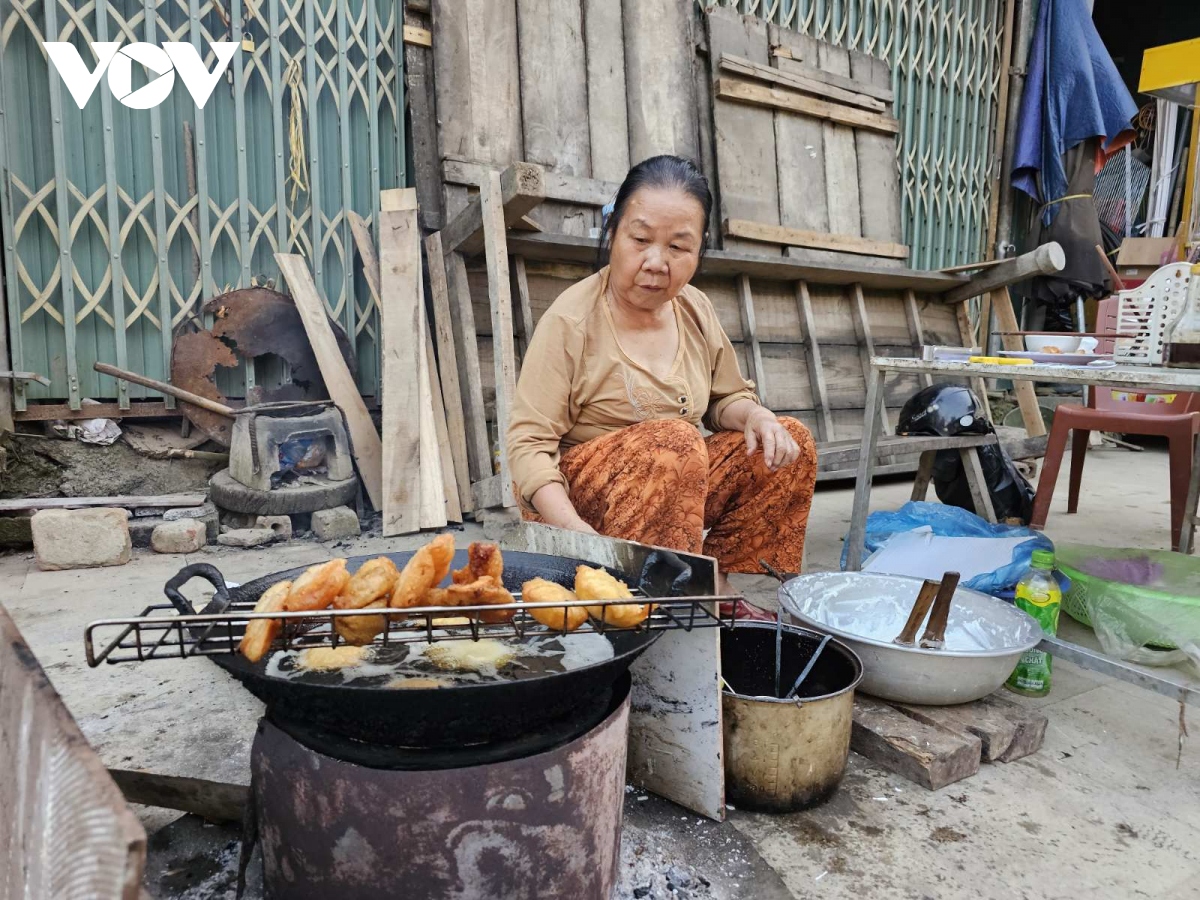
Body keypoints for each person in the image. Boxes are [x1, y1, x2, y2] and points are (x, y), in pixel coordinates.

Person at [506, 155, 817, 584]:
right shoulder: (571, 321)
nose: (656, 261)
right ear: (613, 232)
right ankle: (650, 594)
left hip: (674, 489)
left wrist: (757, 415)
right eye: (641, 240)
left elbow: (726, 398)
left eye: (677, 247)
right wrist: (575, 532)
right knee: (674, 440)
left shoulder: (695, 307)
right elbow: (528, 446)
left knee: (787, 441)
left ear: (698, 250)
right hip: (578, 503)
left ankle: (715, 584)